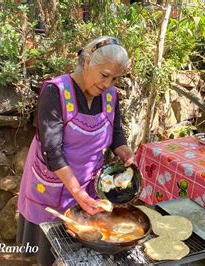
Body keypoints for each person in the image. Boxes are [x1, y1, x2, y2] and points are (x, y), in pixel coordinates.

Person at [16, 36, 135, 265]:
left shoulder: (110, 96)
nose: (108, 84)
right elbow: (52, 149)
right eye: (104, 75)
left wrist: (127, 154)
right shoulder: (56, 92)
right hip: (53, 180)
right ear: (88, 60)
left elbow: (116, 134)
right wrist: (76, 192)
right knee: (49, 245)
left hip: (87, 182)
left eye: (115, 78)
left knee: (81, 241)